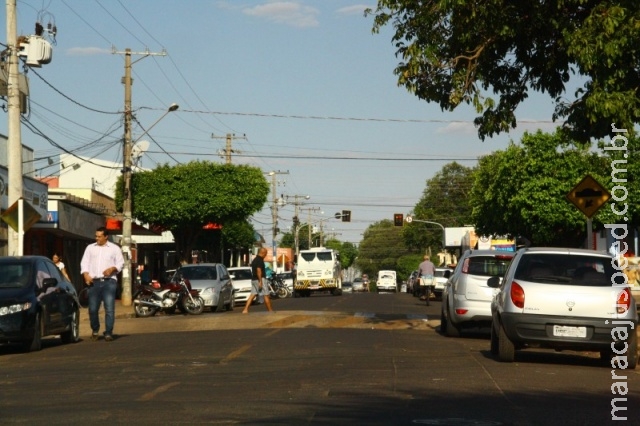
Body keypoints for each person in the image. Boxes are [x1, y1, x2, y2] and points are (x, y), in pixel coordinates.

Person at [80, 226, 125, 342]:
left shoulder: (114, 248)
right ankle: (95, 330)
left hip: (109, 282)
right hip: (94, 283)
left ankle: (108, 332)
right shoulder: (90, 248)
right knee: (93, 309)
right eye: (96, 236)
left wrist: (112, 269)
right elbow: (84, 262)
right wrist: (85, 274)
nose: (97, 238)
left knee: (109, 308)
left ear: (106, 237)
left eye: (100, 236)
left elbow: (120, 264)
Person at [242, 247, 274, 314]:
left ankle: (245, 309)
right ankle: (270, 311)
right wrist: (260, 281)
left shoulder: (255, 260)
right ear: (262, 253)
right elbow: (258, 271)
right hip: (260, 279)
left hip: (254, 279)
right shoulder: (259, 260)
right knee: (266, 295)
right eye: (266, 253)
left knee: (252, 294)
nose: (266, 255)